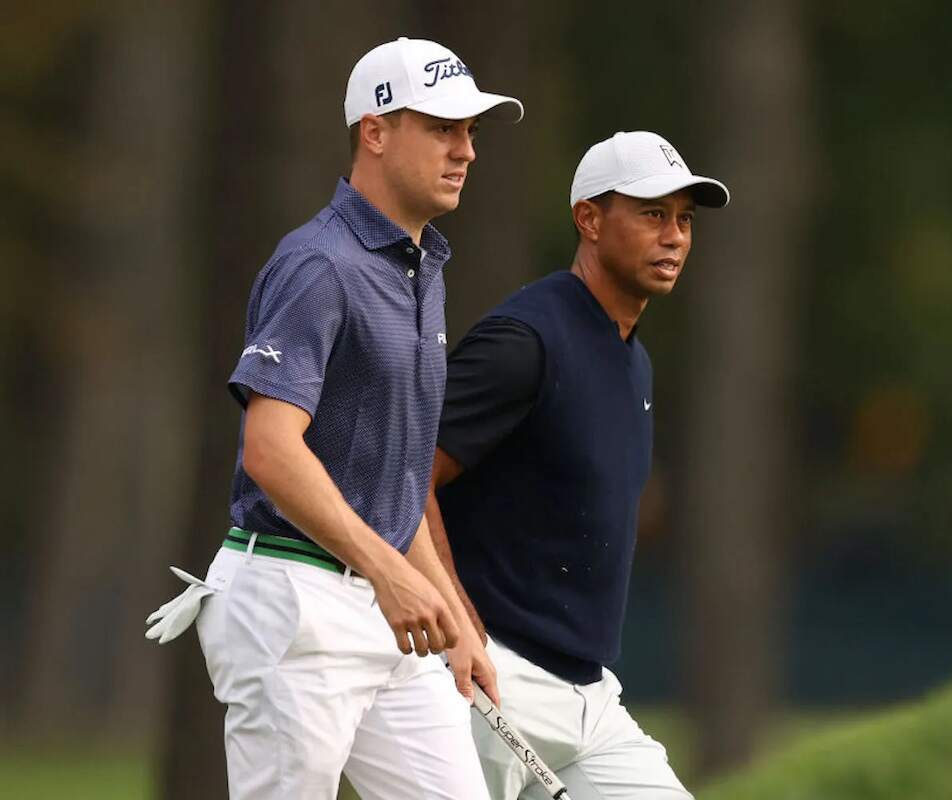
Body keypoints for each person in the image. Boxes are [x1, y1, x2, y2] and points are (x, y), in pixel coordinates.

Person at [145, 37, 521, 800]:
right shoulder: (319, 265)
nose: (466, 151)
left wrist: (450, 613)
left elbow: (393, 474)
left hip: (387, 613)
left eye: (471, 131)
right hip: (292, 604)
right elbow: (270, 451)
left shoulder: (424, 272)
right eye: (443, 128)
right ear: (375, 131)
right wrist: (392, 578)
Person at [426, 131, 730, 799]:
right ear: (588, 219)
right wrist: (452, 618)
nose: (675, 237)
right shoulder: (524, 343)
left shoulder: (634, 358)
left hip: (590, 697)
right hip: (488, 677)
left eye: (684, 219)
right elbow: (405, 475)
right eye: (652, 214)